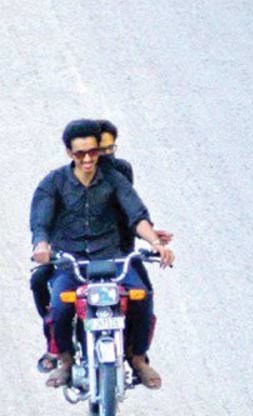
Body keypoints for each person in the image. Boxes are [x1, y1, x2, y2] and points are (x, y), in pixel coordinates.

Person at [30, 119, 175, 389]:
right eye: (79, 154)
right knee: (60, 308)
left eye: (93, 152)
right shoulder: (53, 183)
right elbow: (41, 222)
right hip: (70, 262)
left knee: (142, 297)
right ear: (69, 154)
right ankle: (65, 360)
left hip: (112, 259)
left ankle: (138, 358)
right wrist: (41, 245)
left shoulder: (114, 180)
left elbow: (136, 215)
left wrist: (155, 242)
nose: (87, 159)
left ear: (99, 150)